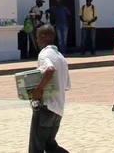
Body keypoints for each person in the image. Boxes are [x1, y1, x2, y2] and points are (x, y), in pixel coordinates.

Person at [28, 24, 71, 153]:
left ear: (43, 36)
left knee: (36, 148)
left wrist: (38, 89)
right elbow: (66, 85)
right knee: (50, 145)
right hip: (58, 109)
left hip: (45, 108)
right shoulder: (60, 57)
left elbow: (50, 69)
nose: (37, 40)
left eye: (37, 38)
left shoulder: (44, 54)